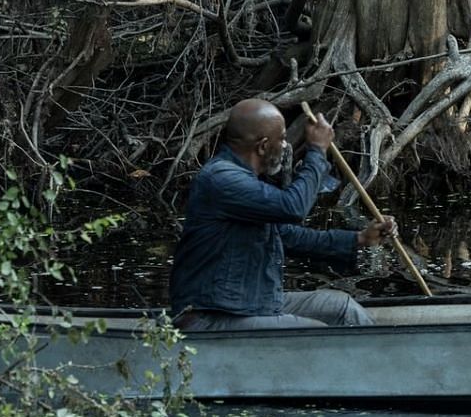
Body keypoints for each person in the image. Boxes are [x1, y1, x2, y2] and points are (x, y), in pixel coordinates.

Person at [168, 98, 398, 330]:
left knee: (343, 309)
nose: (286, 145)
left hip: (251, 304)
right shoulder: (222, 179)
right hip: (210, 315)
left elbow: (288, 236)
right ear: (263, 146)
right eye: (283, 138)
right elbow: (293, 207)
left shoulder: (244, 180)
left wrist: (360, 238)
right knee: (315, 334)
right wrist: (317, 151)